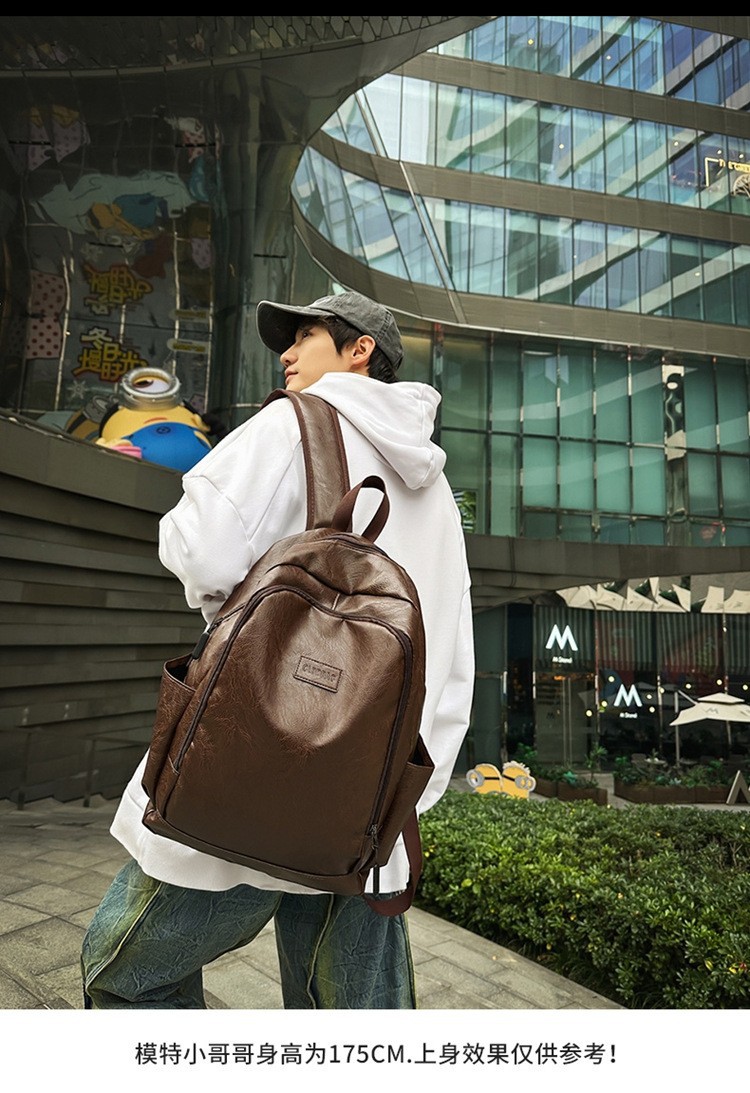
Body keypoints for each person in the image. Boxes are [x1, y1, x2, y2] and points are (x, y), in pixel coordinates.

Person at [81, 290, 475, 1010]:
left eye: (306, 336)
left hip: (250, 772)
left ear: (360, 349)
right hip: (368, 806)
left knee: (127, 976)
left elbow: (200, 547)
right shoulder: (436, 484)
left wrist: (249, 624)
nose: (287, 353)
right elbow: (453, 659)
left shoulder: (294, 422)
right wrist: (406, 790)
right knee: (353, 1025)